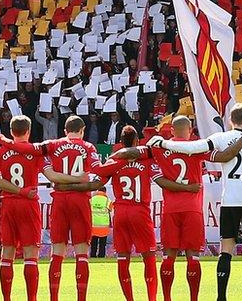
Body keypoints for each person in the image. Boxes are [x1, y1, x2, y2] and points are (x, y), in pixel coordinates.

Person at [149, 103, 242, 301]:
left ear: (229, 121)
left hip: (230, 201)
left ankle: (221, 297)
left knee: (226, 249)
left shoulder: (221, 138)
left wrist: (165, 143)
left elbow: (191, 147)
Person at [0, 115, 81, 301]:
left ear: (11, 131)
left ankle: (6, 298)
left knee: (7, 254)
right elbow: (51, 175)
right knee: (31, 255)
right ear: (29, 131)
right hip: (29, 205)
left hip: (8, 203)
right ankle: (31, 298)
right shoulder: (37, 153)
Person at [128, 115, 242, 301]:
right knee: (192, 256)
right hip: (192, 209)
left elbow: (139, 158)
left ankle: (167, 298)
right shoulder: (197, 147)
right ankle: (193, 298)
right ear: (191, 130)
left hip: (170, 209)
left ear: (171, 130)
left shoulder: (160, 148)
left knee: (169, 256)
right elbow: (225, 156)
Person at [59, 126, 161, 301]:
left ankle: (130, 299)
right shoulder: (147, 158)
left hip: (121, 212)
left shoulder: (114, 163)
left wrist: (68, 187)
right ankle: (152, 298)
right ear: (137, 141)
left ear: (120, 142)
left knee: (123, 258)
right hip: (140, 211)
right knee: (149, 257)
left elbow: (94, 183)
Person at [43, 115, 101, 301]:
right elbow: (96, 170)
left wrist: (63, 183)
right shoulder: (88, 147)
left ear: (65, 131)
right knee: (82, 252)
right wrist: (79, 180)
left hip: (59, 200)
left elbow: (51, 175)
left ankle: (53, 298)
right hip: (80, 200)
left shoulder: (54, 145)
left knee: (57, 252)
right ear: (82, 131)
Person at [90, 187, 111, 258]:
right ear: (105, 191)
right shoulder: (108, 200)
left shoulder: (91, 200)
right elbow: (111, 209)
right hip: (103, 227)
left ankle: (92, 255)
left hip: (93, 226)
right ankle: (101, 256)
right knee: (102, 244)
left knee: (93, 243)